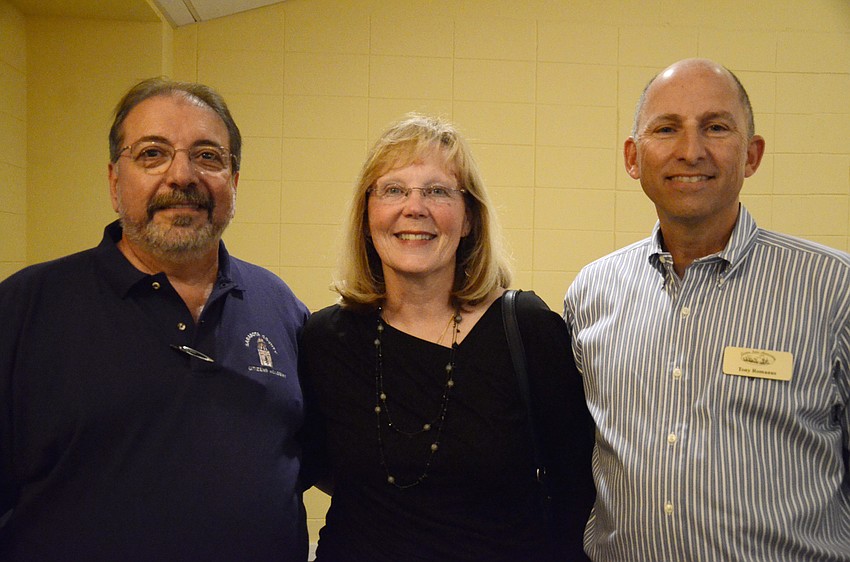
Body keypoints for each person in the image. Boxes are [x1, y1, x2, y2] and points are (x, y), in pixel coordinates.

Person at [0, 78, 311, 560]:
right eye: (152, 154)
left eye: (208, 156)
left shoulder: (280, 307)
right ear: (113, 182)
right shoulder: (23, 309)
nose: (182, 175)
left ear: (234, 181)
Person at [564, 58, 850, 561]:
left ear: (752, 155)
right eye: (667, 129)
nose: (691, 151)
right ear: (634, 157)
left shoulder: (833, 288)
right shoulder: (592, 293)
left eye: (716, 128)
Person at [299, 114, 595, 561]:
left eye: (437, 191)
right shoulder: (326, 340)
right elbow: (316, 465)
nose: (413, 208)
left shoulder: (526, 330)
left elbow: (576, 486)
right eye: (393, 190)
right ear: (367, 215)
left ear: (469, 218)